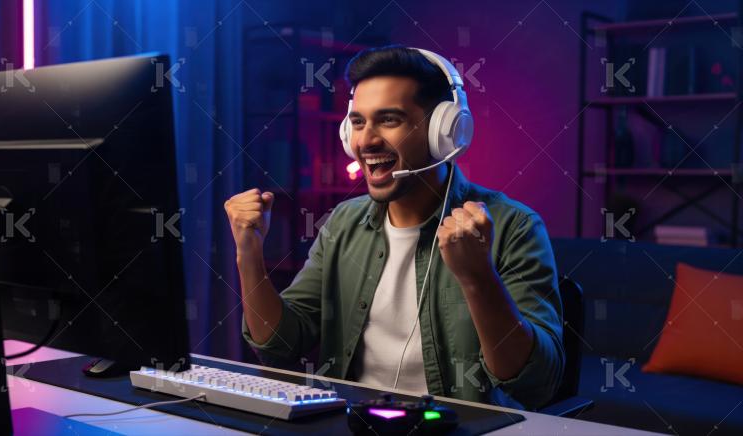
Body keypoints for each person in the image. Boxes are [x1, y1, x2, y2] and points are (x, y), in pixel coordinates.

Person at [224, 45, 564, 410]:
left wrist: (478, 278)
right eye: (357, 122)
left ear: (444, 132)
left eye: (389, 120)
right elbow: (279, 346)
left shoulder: (514, 226)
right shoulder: (343, 223)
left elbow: (536, 385)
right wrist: (248, 252)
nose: (366, 141)